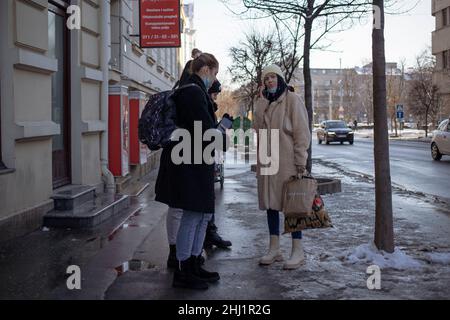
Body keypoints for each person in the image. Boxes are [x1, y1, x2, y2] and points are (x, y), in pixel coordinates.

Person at [155, 53, 221, 290]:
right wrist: (220, 130)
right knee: (192, 216)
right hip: (189, 163)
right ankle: (184, 269)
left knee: (200, 215)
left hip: (195, 161)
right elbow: (204, 129)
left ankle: (193, 264)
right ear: (206, 69)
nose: (214, 80)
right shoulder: (192, 92)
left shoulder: (192, 90)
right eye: (214, 74)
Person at [253, 64, 311, 270]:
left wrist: (300, 162)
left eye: (273, 77)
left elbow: (302, 134)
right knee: (270, 204)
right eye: (266, 78)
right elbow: (256, 128)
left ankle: (297, 250)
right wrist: (260, 101)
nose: (269, 81)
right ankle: (274, 248)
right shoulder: (263, 102)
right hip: (267, 161)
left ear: (280, 78)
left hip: (286, 161)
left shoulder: (292, 100)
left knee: (292, 206)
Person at [165, 47, 203, 270]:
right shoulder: (187, 93)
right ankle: (178, 257)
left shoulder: (186, 91)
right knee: (180, 208)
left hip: (183, 155)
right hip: (182, 156)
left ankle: (181, 256)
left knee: (180, 208)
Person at [203, 80, 232, 249]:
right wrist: (222, 127)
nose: (216, 98)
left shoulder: (207, 107)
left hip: (208, 158)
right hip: (203, 159)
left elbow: (212, 131)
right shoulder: (202, 106)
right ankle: (209, 234)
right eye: (214, 94)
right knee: (206, 200)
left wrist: (223, 124)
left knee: (209, 198)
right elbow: (210, 135)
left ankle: (210, 233)